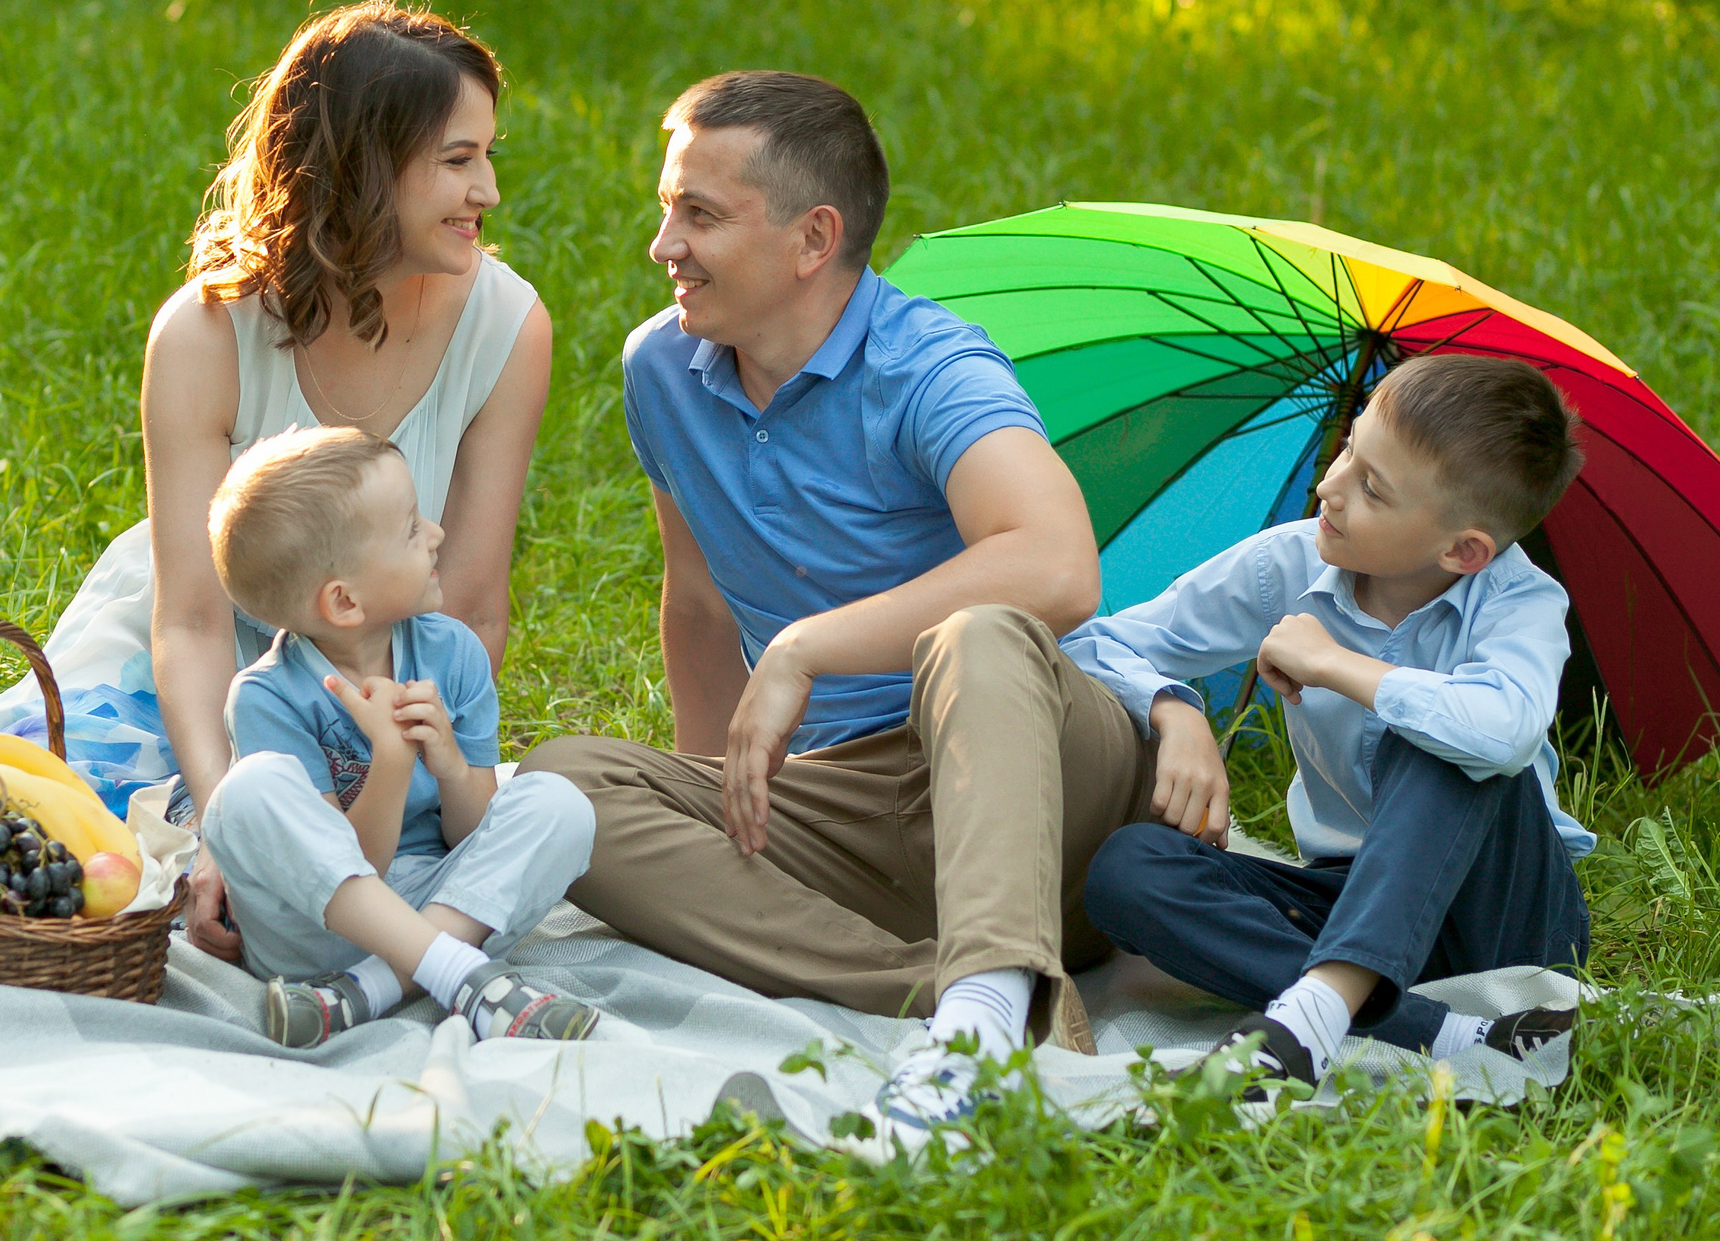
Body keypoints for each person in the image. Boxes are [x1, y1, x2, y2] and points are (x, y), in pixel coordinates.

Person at [519, 71, 1229, 1153]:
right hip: (851, 810)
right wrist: (721, 801)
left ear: (813, 238)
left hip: (1035, 781)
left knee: (983, 631)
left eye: (699, 214)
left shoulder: (931, 368)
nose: (663, 243)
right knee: (562, 790)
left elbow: (1058, 565)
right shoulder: (661, 368)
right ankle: (968, 998)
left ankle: (985, 1012)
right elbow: (699, 603)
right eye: (667, 207)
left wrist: (808, 647)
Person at [0, 1, 551, 973]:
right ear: (366, 165)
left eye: (487, 155)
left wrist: (394, 771)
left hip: (378, 658)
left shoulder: (506, 328)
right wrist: (217, 829)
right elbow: (193, 621)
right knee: (60, 840)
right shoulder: (207, 332)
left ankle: (392, 950)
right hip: (196, 662)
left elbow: (474, 611)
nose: (486, 189)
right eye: (457, 161)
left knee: (424, 842)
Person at [1075, 353, 1593, 1097]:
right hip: (1348, 898)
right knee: (1129, 871)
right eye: (1350, 446)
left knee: (1439, 730)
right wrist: (1174, 708)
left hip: (1503, 918)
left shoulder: (1520, 602)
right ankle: (1441, 1032)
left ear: (1463, 550)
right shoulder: (1287, 565)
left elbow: (1502, 732)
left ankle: (1312, 1016)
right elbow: (1091, 642)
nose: (1331, 485)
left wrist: (1333, 665)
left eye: (1372, 488)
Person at [196, 425, 602, 1046]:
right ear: (345, 601)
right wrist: (389, 758)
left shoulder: (452, 652)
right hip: (314, 929)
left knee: (558, 804)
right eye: (413, 528)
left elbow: (473, 831)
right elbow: (344, 871)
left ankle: (368, 992)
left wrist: (449, 768)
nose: (436, 534)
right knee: (246, 791)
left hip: (440, 897)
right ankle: (459, 975)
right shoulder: (267, 697)